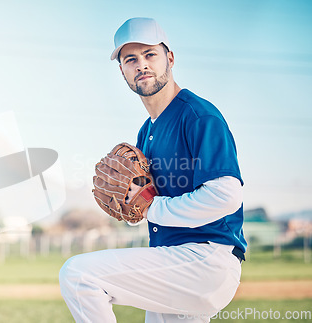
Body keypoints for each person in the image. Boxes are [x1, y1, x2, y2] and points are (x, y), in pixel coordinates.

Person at [59, 17, 247, 323]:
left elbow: (225, 197)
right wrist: (131, 206)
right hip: (172, 259)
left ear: (169, 58)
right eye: (130, 59)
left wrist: (152, 208)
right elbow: (148, 204)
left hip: (204, 259)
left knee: (79, 276)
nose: (141, 65)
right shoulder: (146, 130)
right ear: (122, 70)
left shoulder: (199, 117)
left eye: (150, 55)